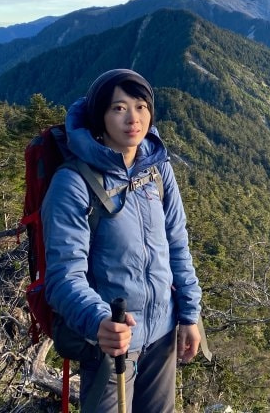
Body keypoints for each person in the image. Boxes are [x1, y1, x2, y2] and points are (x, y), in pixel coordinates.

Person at [42, 69, 202, 412]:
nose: (133, 119)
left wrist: (190, 314)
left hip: (163, 335)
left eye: (141, 106)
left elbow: (177, 244)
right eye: (119, 108)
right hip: (111, 343)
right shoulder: (74, 183)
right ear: (100, 116)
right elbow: (63, 277)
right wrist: (100, 320)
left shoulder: (157, 169)